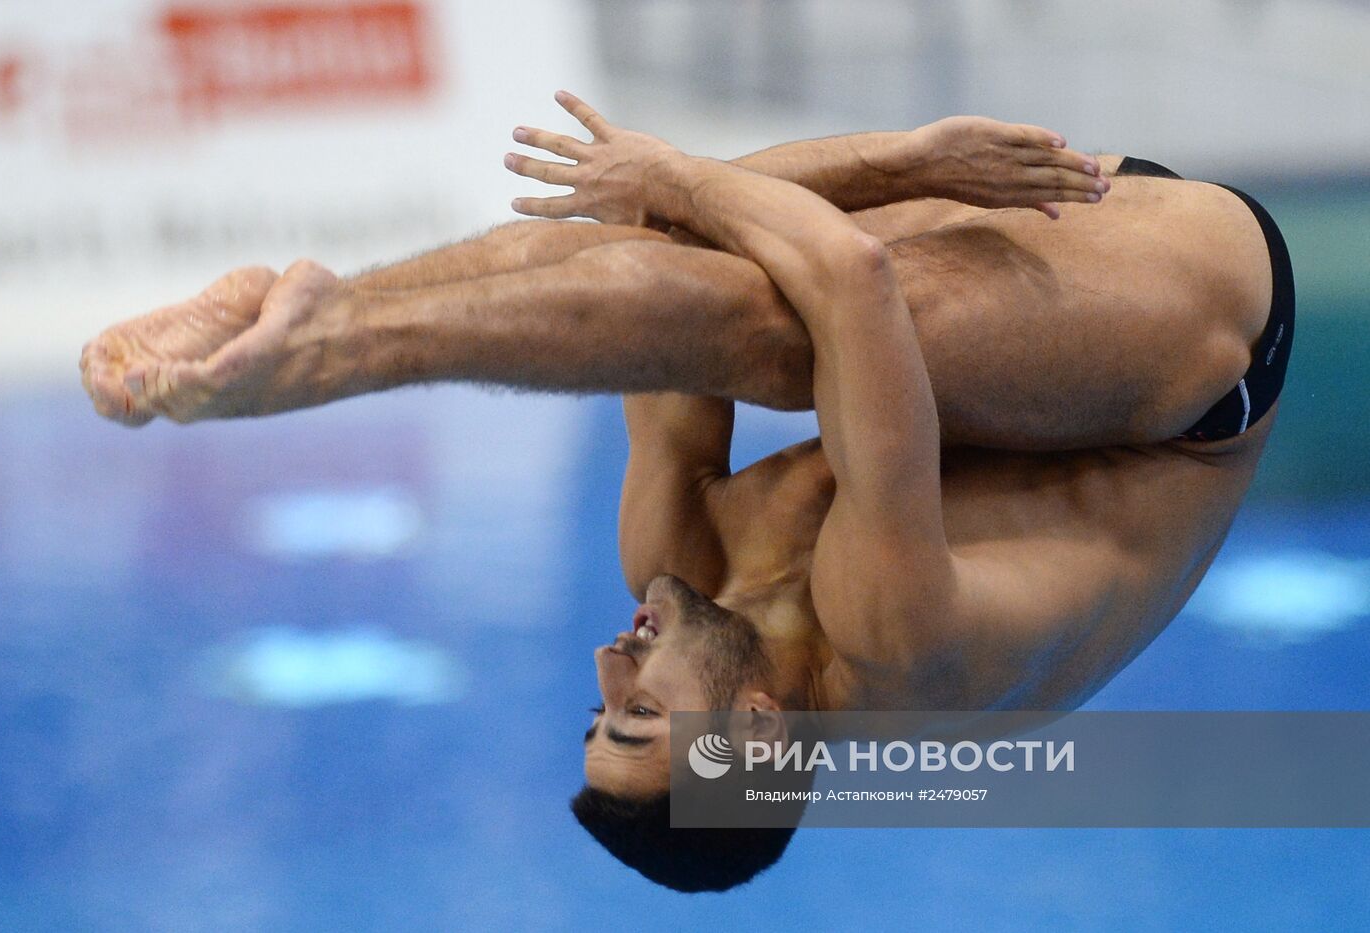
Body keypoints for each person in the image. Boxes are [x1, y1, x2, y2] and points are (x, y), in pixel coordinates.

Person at [79, 93, 1293, 892]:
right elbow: (846, 278)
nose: (611, 665)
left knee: (660, 257)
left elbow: (656, 249)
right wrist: (834, 166)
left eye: (598, 712)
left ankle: (323, 306)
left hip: (1029, 317)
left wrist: (868, 166)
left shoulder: (673, 572)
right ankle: (327, 356)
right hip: (1189, 370)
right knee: (780, 330)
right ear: (756, 732)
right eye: (639, 717)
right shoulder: (896, 655)